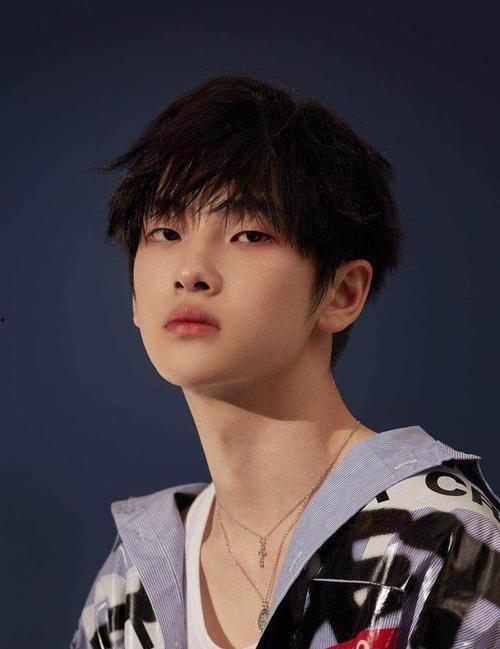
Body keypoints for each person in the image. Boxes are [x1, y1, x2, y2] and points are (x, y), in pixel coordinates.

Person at [70, 75, 500, 649]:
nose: (191, 271)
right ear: (133, 295)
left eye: (250, 234)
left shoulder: (439, 539)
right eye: (165, 231)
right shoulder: (131, 583)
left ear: (342, 292)